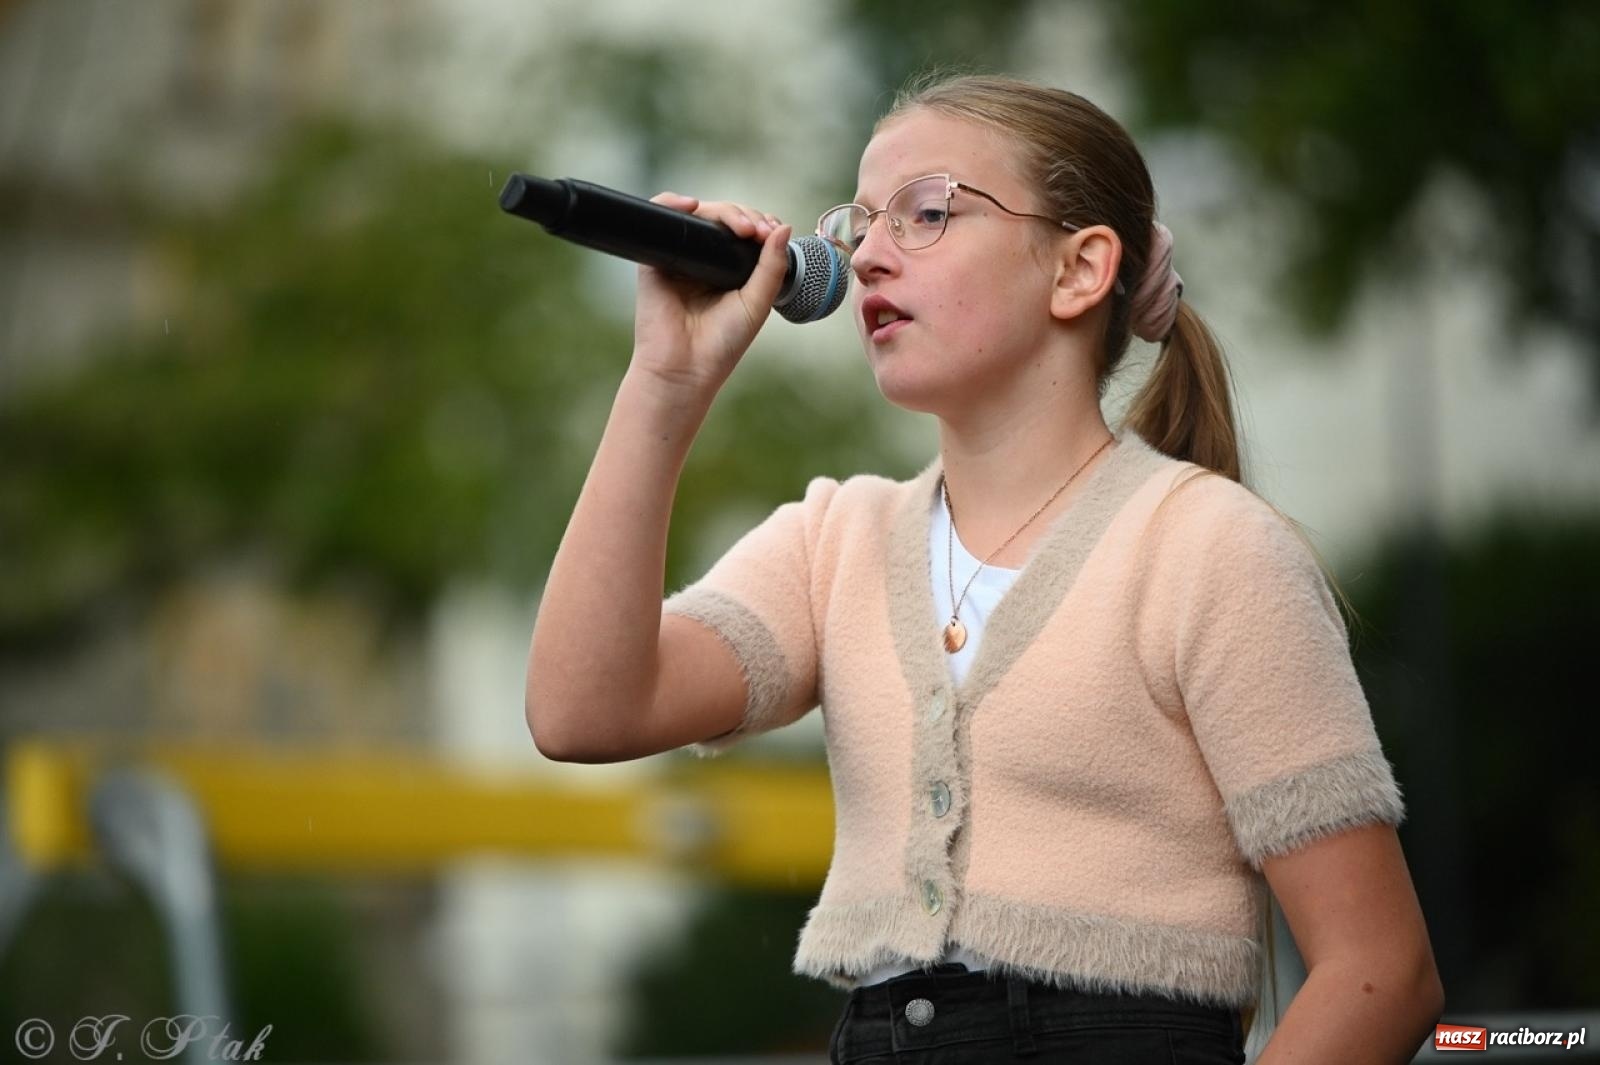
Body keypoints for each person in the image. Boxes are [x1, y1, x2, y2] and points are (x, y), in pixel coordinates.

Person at [526, 72, 1444, 1064]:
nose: (867, 255)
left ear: (1078, 269)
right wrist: (665, 385)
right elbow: (584, 713)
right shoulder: (835, 540)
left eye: (925, 213)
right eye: (861, 221)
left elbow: (1379, 973)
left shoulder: (1207, 547)